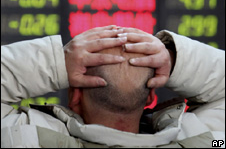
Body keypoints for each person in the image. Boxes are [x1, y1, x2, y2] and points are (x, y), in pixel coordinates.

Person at [1, 25, 225, 148]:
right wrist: (174, 60)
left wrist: (56, 64)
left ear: (75, 96)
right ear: (150, 97)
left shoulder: (20, 138)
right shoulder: (211, 140)